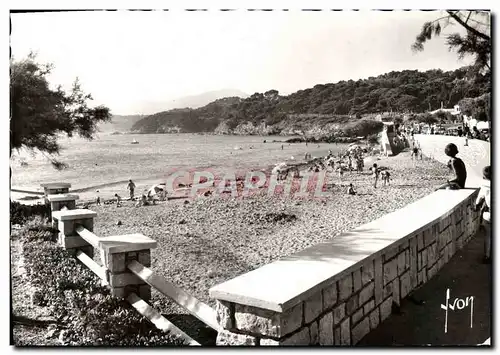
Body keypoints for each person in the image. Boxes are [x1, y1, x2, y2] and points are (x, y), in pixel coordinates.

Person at [475, 166, 491, 263]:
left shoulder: (485, 186)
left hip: (489, 214)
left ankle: (487, 256)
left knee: (488, 236)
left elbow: (478, 201)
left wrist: (477, 206)